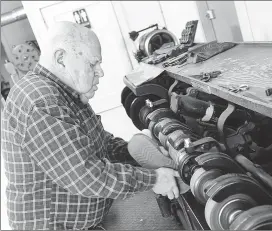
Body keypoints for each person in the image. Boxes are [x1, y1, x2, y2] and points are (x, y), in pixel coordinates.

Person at [1, 21, 180, 230]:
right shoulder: (40, 101)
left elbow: (101, 144)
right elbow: (85, 176)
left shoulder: (65, 94)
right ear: (61, 59)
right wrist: (153, 179)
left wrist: (144, 152)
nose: (100, 72)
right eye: (92, 63)